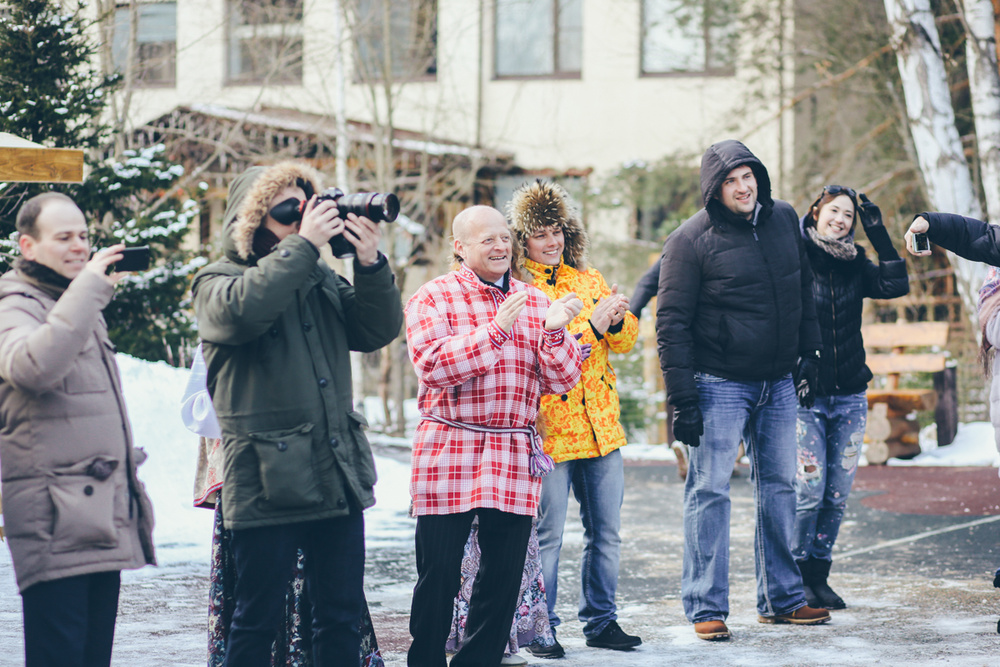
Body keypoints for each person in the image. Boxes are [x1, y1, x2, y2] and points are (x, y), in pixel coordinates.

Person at [191, 161, 403, 667]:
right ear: (253, 217)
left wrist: (370, 263)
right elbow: (243, 312)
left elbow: (375, 329)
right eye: (288, 210)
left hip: (335, 472)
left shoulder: (319, 278)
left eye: (306, 207)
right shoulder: (216, 281)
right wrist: (304, 245)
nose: (300, 218)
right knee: (256, 619)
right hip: (266, 480)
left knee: (339, 617)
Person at [656, 139, 830, 642]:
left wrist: (811, 354)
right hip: (718, 385)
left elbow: (804, 291)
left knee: (779, 487)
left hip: (776, 381)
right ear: (715, 189)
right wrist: (684, 400)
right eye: (731, 180)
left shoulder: (784, 220)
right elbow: (671, 325)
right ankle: (706, 606)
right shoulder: (689, 240)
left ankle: (782, 598)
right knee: (709, 491)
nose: (743, 186)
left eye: (748, 175)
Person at [405, 205, 584, 667]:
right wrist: (496, 331)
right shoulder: (433, 297)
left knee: (502, 576)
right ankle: (424, 659)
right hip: (449, 446)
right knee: (439, 572)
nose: (501, 246)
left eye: (505, 237)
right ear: (459, 247)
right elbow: (433, 366)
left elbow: (563, 380)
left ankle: (477, 661)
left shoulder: (535, 299)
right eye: (488, 239)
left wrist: (554, 334)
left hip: (511, 447)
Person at [0, 192, 156, 666]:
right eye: (64, 237)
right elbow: (30, 366)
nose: (79, 247)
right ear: (28, 246)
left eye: (84, 236)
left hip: (96, 512)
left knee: (92, 658)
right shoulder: (14, 302)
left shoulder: (71, 301)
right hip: (53, 518)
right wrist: (89, 287)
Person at [180, 345, 385, 667]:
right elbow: (195, 411)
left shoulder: (317, 316)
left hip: (321, 476)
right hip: (253, 481)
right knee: (256, 608)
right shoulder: (228, 317)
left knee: (331, 606)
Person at [507, 180, 641, 657]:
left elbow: (624, 343)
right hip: (551, 435)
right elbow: (545, 352)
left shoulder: (588, 279)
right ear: (523, 240)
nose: (552, 241)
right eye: (541, 233)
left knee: (606, 533)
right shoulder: (518, 293)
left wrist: (620, 318)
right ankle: (543, 626)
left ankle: (602, 621)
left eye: (558, 230)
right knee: (548, 535)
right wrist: (595, 324)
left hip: (603, 429)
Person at [794, 186, 908, 610]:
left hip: (849, 396)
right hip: (806, 396)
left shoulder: (856, 264)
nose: (840, 220)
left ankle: (819, 576)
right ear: (816, 213)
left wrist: (878, 236)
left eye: (848, 216)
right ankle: (796, 574)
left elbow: (896, 284)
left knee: (837, 494)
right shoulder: (798, 255)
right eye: (834, 211)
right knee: (809, 489)